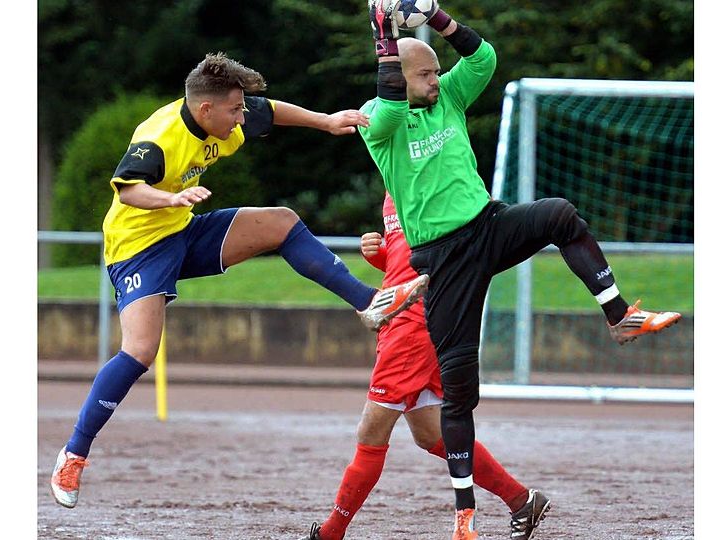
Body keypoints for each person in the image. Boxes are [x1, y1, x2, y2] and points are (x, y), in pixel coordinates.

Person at [49, 52, 430, 509]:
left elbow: (271, 110)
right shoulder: (158, 137)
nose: (240, 117)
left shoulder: (226, 117)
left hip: (182, 232)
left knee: (281, 223)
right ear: (205, 109)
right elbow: (129, 189)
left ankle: (368, 303)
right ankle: (73, 454)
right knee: (140, 351)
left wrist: (326, 122)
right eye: (233, 110)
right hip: (138, 248)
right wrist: (171, 198)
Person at [361, 2, 682, 538]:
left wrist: (437, 18)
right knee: (460, 395)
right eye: (426, 74)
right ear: (400, 74)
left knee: (559, 214)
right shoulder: (380, 118)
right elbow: (393, 101)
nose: (437, 81)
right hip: (443, 263)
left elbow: (483, 56)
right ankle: (466, 514)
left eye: (438, 72)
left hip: (488, 226)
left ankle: (620, 316)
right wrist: (386, 39)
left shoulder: (449, 96)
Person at [302, 193, 544, 540]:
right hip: (404, 321)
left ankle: (330, 534)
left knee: (371, 433)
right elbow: (415, 260)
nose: (369, 136)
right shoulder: (393, 182)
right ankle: (522, 500)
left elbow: (464, 249)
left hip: (412, 328)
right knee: (430, 434)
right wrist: (381, 255)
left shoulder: (433, 171)